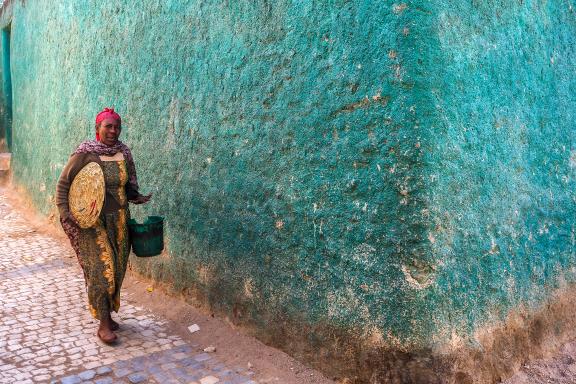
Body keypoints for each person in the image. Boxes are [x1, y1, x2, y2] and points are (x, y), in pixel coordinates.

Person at [56, 108, 151, 343]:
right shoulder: (85, 154)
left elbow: (127, 184)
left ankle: (107, 312)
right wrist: (65, 212)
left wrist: (135, 196)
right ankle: (103, 324)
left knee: (117, 269)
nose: (113, 131)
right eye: (108, 126)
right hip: (92, 221)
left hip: (119, 220)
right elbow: (63, 184)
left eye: (117, 126)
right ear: (97, 128)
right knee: (101, 269)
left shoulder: (123, 153)